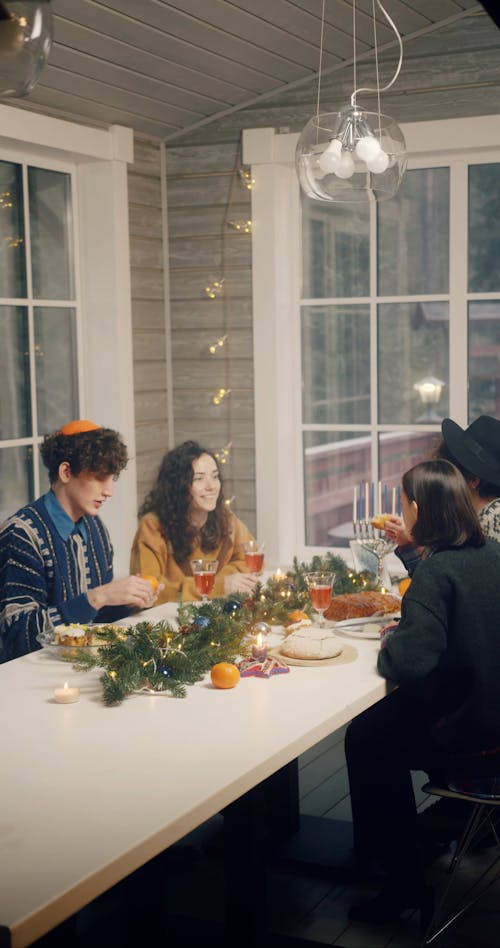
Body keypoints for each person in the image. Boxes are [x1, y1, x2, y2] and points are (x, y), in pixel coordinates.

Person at [345, 459, 500, 925]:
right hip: (495, 719)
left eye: (403, 503)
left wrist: (394, 635)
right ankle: (399, 854)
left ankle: (401, 882)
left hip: (474, 740)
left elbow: (407, 664)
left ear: (416, 509)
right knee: (377, 730)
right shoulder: (492, 552)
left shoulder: (437, 574)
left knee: (366, 738)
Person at [0, 420, 158, 663]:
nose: (109, 491)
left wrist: (129, 602)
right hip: (29, 681)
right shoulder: (22, 534)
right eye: (99, 477)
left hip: (81, 670)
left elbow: (95, 620)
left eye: (112, 478)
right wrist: (97, 597)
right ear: (65, 473)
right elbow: (18, 636)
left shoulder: (96, 528)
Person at [130, 440, 259, 603]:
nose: (211, 486)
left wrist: (223, 581)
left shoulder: (225, 519)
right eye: (199, 479)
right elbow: (149, 591)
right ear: (179, 487)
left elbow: (250, 561)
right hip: (165, 623)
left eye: (215, 476)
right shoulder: (152, 526)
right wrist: (217, 585)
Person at [384, 415, 500, 575]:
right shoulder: (471, 518)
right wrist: (410, 540)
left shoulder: (490, 522)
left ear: (473, 480)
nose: (442, 480)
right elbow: (437, 584)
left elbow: (444, 589)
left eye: (449, 472)